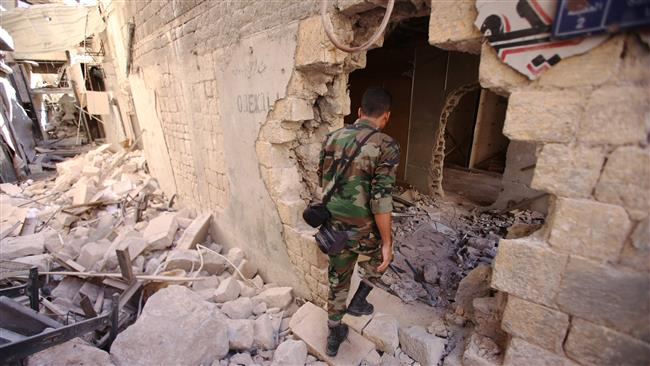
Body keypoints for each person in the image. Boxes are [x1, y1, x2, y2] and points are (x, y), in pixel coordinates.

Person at [317, 87, 400, 357]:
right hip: (366, 233)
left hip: (334, 230)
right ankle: (360, 300)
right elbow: (381, 200)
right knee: (383, 258)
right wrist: (387, 242)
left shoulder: (331, 138)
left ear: (359, 112)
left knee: (337, 280)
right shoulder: (387, 146)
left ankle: (333, 334)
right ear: (386, 116)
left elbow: (322, 180)